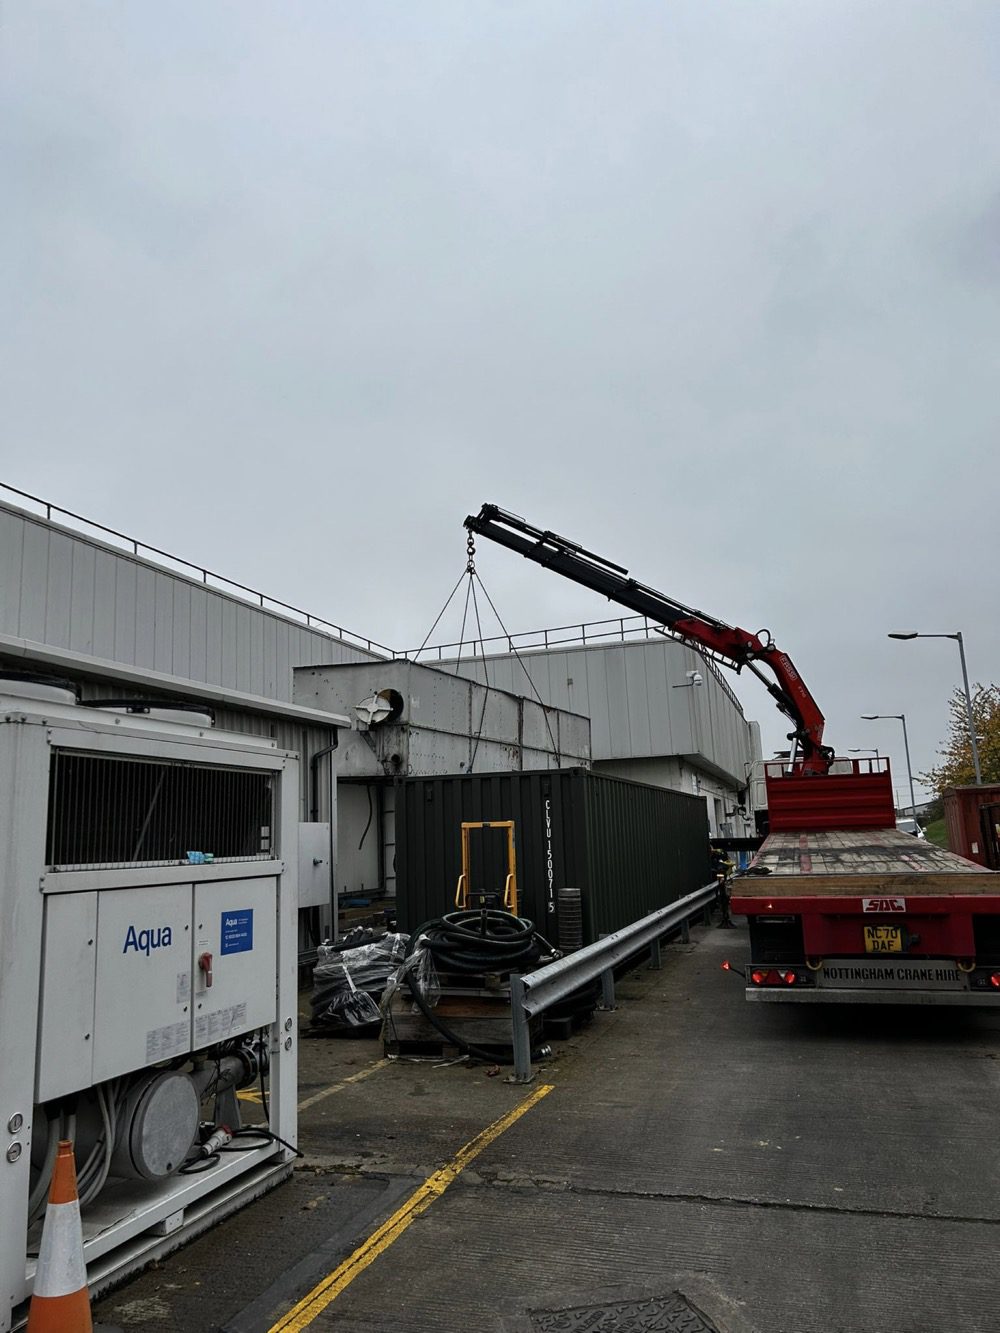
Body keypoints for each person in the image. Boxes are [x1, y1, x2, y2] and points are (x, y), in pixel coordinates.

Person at [709, 845, 736, 928]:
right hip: (719, 879)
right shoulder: (715, 858)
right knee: (722, 895)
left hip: (722, 879)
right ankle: (724, 914)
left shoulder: (719, 854)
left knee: (724, 895)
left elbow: (727, 863)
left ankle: (725, 915)